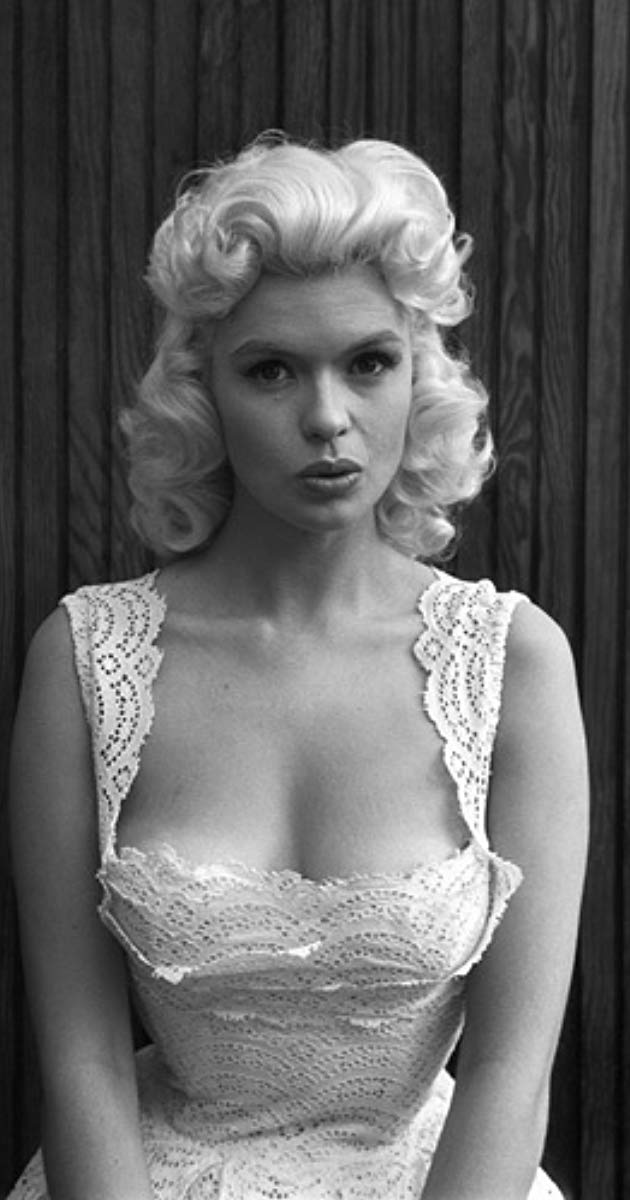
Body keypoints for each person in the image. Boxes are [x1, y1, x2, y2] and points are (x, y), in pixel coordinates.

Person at [9, 133, 588, 1200]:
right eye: (271, 369)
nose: (327, 418)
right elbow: (82, 1065)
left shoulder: (516, 662)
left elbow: (512, 1074)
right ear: (204, 391)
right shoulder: (86, 658)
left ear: (417, 376)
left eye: (368, 362)